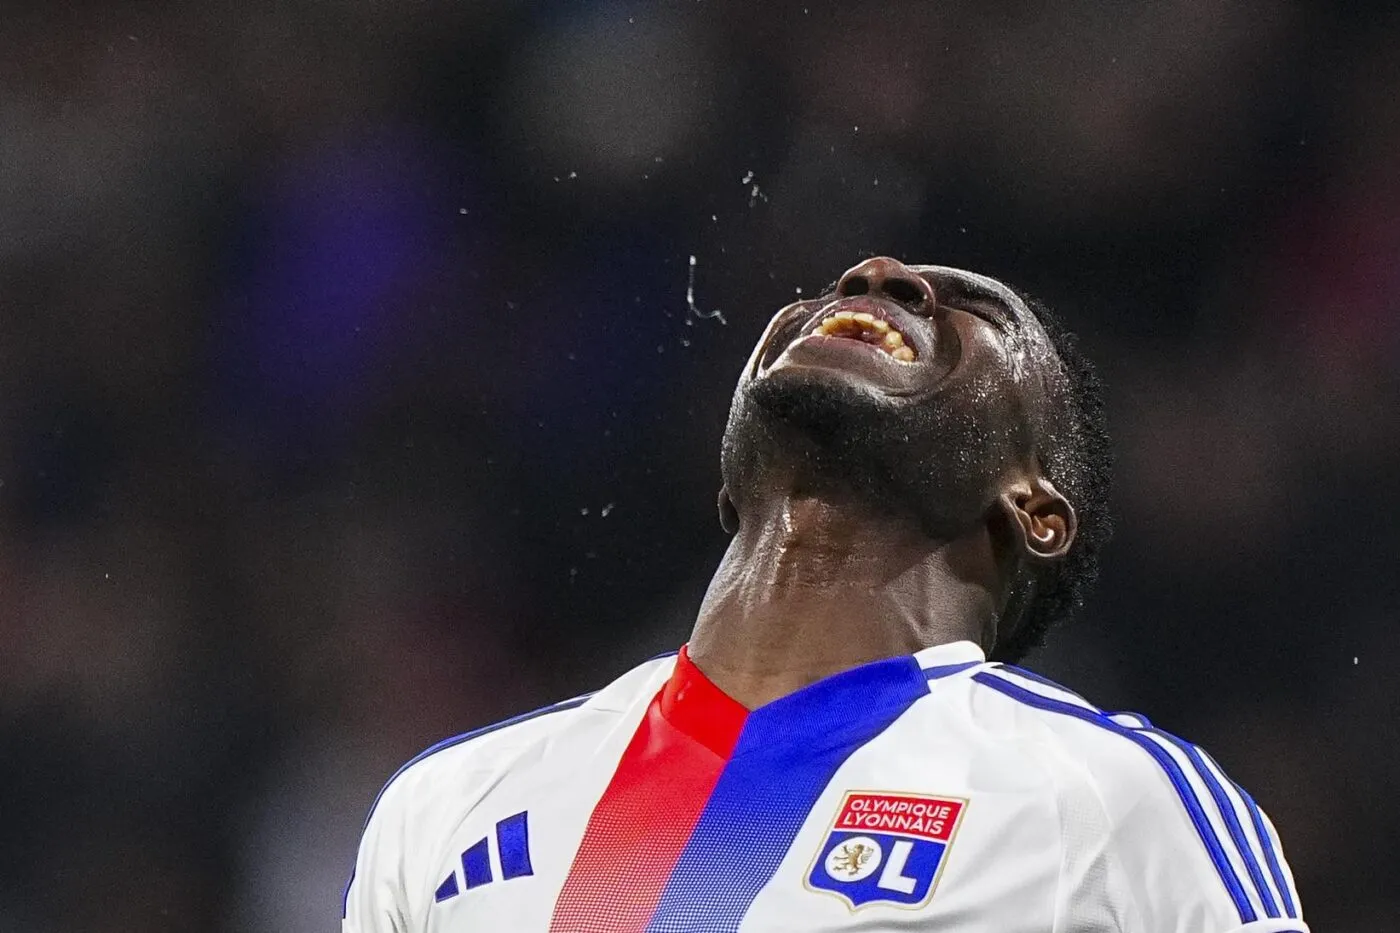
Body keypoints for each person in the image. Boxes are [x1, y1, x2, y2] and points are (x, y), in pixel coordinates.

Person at [341, 256, 1306, 932]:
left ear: (1036, 511)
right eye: (847, 282)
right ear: (730, 483)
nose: (878, 276)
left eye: (976, 311)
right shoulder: (450, 803)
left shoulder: (1106, 801)